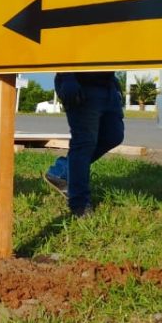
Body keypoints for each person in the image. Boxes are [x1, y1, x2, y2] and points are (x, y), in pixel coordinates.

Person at [43, 71, 125, 217]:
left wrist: (114, 83)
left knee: (114, 136)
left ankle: (61, 171)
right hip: (80, 83)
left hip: (107, 84)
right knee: (84, 143)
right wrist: (67, 76)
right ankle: (80, 205)